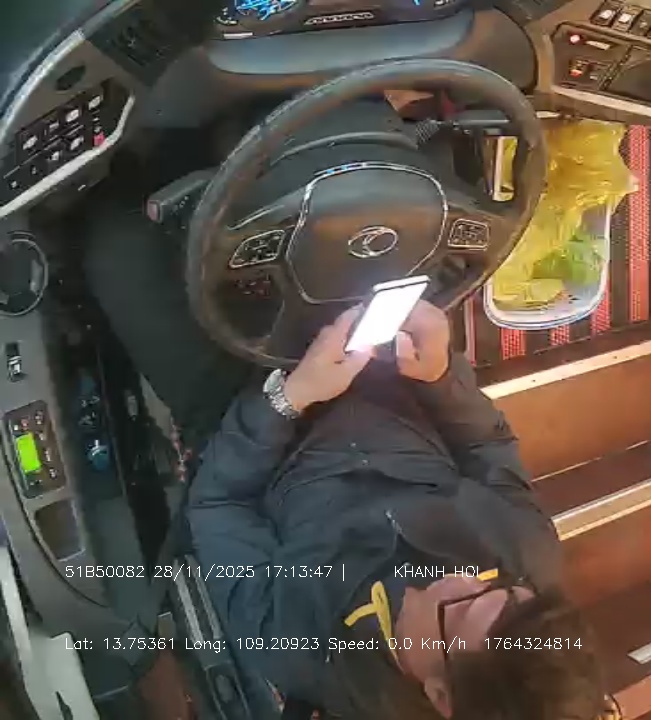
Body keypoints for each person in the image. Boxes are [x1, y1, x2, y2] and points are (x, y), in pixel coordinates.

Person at [82, 202, 611, 718]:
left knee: (113, 242)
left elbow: (218, 503)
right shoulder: (531, 563)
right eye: (497, 585)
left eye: (460, 609)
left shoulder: (300, 650)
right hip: (385, 360)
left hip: (238, 404)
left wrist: (288, 399)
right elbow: (486, 447)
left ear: (439, 697)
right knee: (380, 186)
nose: (468, 576)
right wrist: (440, 377)